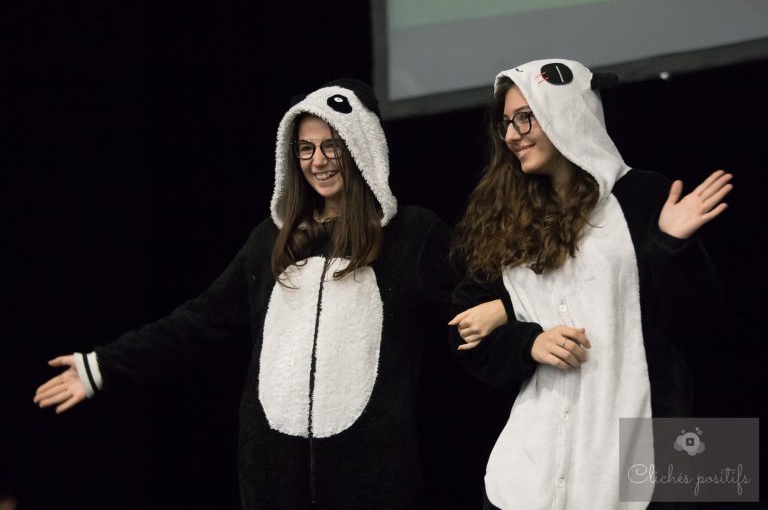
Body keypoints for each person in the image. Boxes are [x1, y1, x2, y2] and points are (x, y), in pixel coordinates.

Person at [33, 79, 458, 509]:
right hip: (273, 484)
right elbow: (201, 320)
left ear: (361, 144)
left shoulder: (411, 235)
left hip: (374, 483)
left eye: (332, 145)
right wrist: (104, 364)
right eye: (306, 148)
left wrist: (497, 316)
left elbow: (473, 299)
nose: (319, 161)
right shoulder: (271, 240)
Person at [448, 59, 731, 509]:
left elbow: (701, 324)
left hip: (643, 454)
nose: (512, 135)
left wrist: (672, 247)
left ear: (567, 111)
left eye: (526, 117)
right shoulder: (504, 215)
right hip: (532, 466)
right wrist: (527, 340)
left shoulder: (643, 195)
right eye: (506, 123)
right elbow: (464, 331)